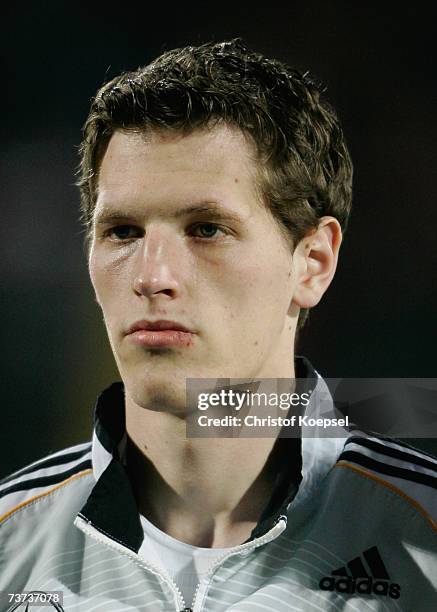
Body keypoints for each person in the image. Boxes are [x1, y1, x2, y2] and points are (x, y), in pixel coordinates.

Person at [1, 39, 436, 612]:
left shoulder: (422, 535)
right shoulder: (11, 543)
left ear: (313, 263)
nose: (152, 277)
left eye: (206, 229)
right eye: (123, 232)